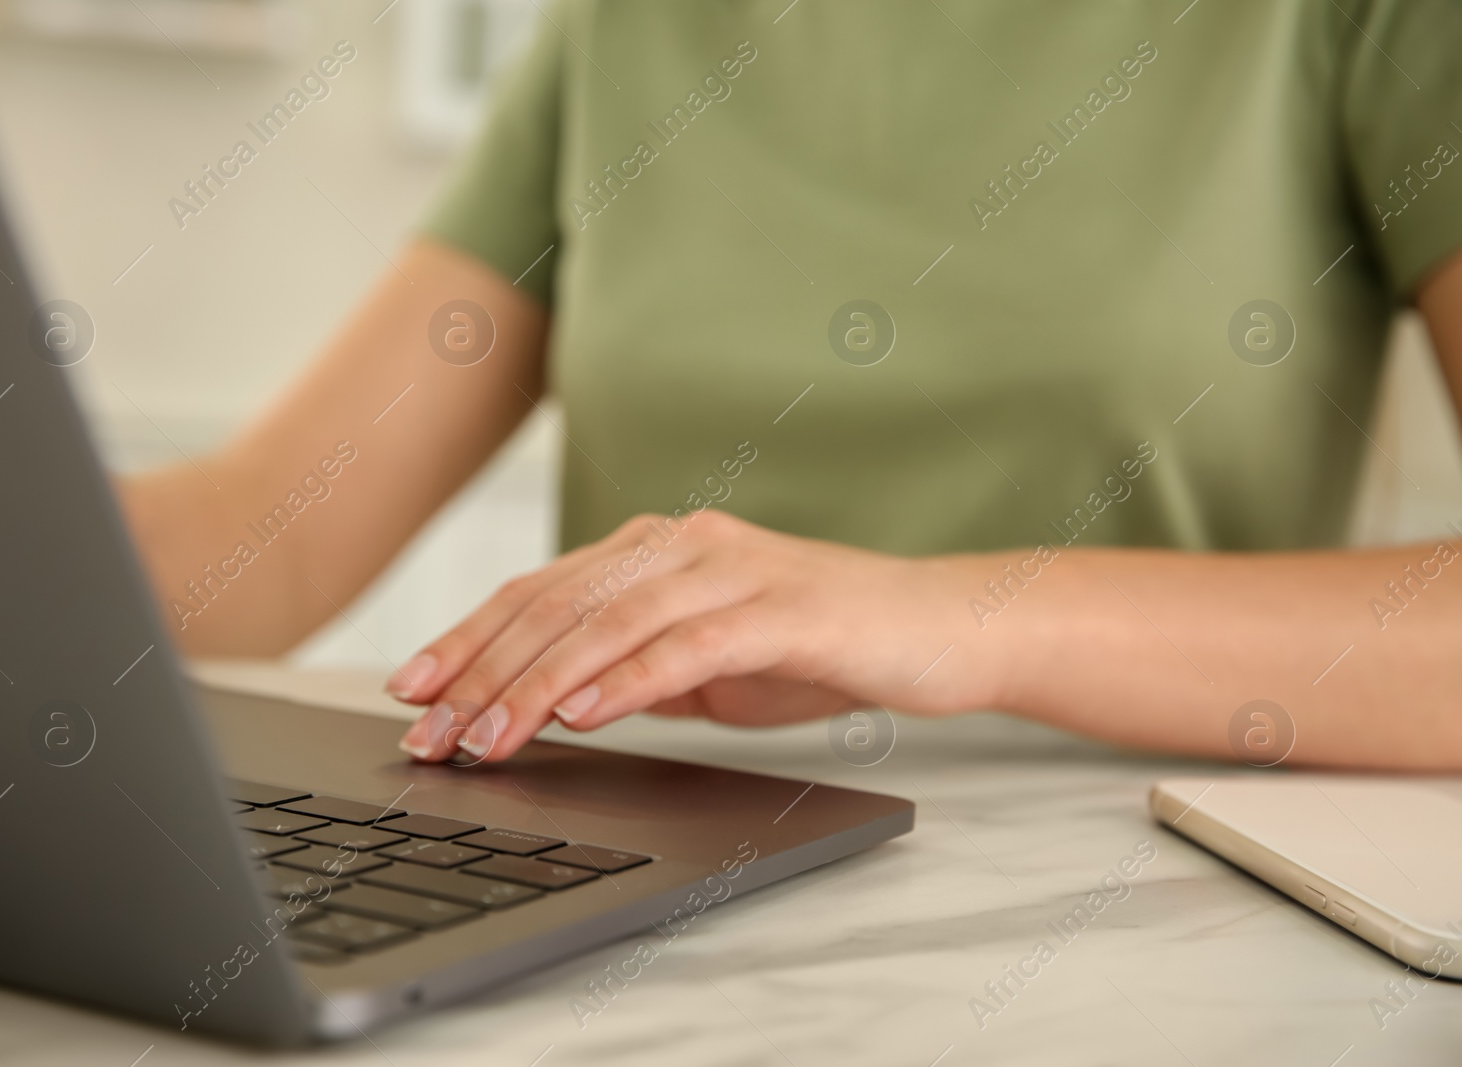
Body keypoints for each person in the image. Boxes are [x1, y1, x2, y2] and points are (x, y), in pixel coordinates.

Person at [120, 1, 1462, 770]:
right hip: (630, 899)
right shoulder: (626, 25)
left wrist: (959, 618)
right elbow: (272, 536)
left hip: (1142, 920)